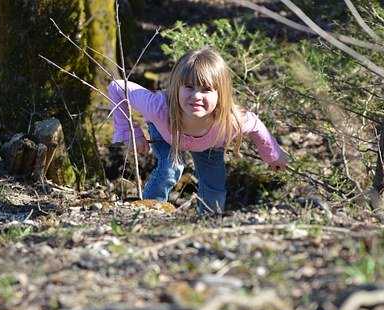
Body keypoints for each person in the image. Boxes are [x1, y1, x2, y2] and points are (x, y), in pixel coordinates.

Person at [108, 46, 288, 213]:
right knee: (170, 168)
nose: (196, 96)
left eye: (206, 90)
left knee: (214, 183)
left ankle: (208, 220)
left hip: (210, 142)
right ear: (176, 88)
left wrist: (272, 154)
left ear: (221, 94)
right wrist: (132, 132)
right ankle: (150, 211)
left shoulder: (230, 120)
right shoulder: (158, 107)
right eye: (189, 87)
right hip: (167, 132)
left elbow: (255, 125)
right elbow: (117, 87)